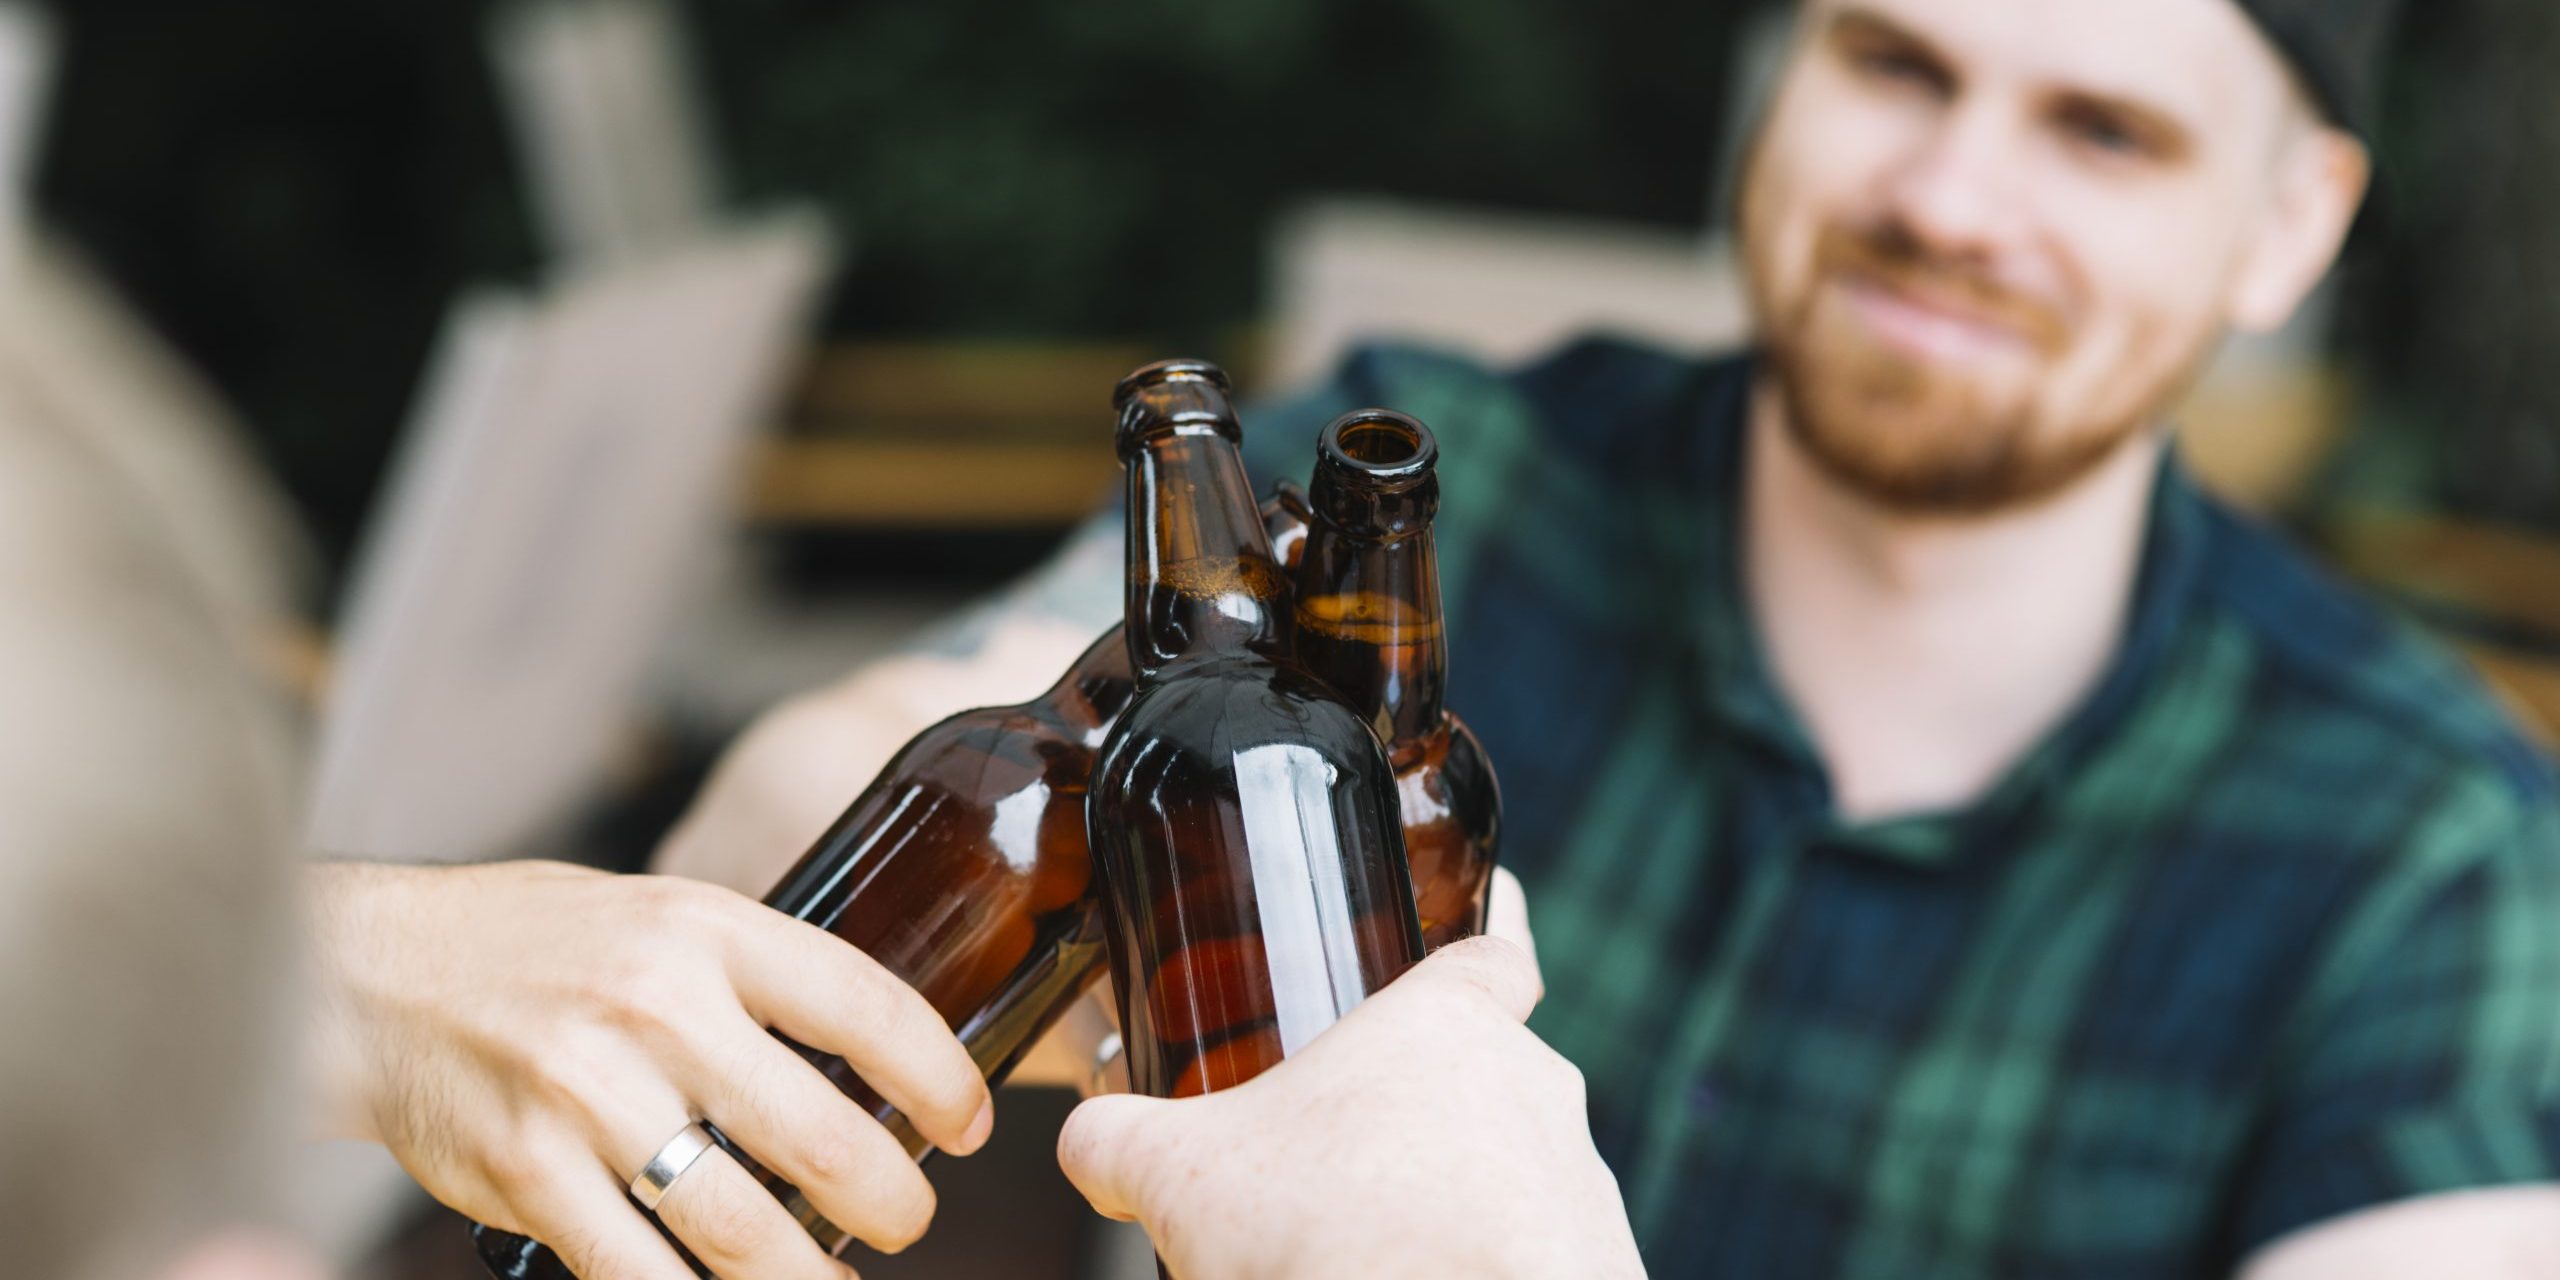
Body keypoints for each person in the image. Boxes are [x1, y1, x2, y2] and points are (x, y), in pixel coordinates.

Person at [659, 0, 2560, 1274]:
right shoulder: (1430, 478)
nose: (1952, 200)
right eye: (1895, 61)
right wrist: (864, 842)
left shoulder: (2430, 852)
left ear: (2290, 223)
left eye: (2105, 130)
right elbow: (906, 755)